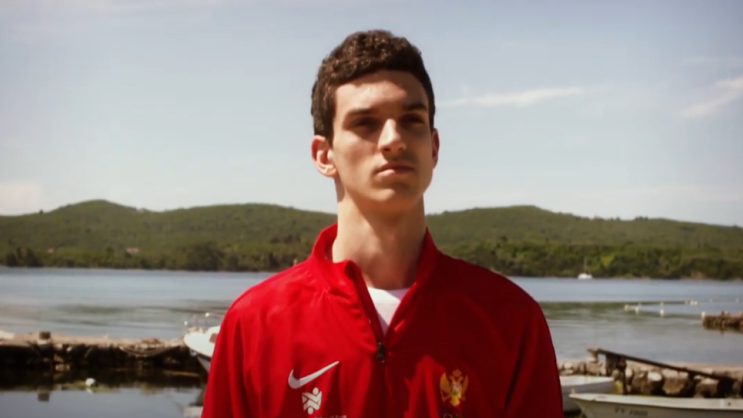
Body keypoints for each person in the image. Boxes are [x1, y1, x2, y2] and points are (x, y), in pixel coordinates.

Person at [201, 29, 563, 418]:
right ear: (324, 155)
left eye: (412, 120)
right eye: (366, 123)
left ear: (434, 148)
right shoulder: (254, 325)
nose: (394, 139)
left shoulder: (510, 320)